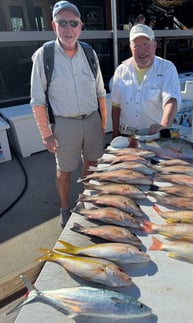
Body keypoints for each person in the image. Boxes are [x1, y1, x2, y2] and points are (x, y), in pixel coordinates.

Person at [30, 1, 107, 227]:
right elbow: (37, 101)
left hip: (92, 120)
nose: (68, 28)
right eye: (62, 23)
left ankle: (87, 201)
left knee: (92, 164)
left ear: (80, 27)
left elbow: (101, 91)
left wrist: (102, 124)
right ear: (54, 26)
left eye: (73, 23)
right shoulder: (44, 56)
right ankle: (65, 208)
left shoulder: (90, 53)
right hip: (65, 125)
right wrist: (46, 134)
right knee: (64, 171)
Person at [111, 24, 181, 138]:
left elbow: (171, 99)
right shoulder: (120, 71)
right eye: (136, 46)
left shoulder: (167, 68)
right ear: (130, 48)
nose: (142, 50)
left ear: (155, 45)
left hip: (154, 135)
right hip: (126, 135)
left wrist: (163, 125)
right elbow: (116, 106)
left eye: (146, 45)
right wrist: (115, 133)